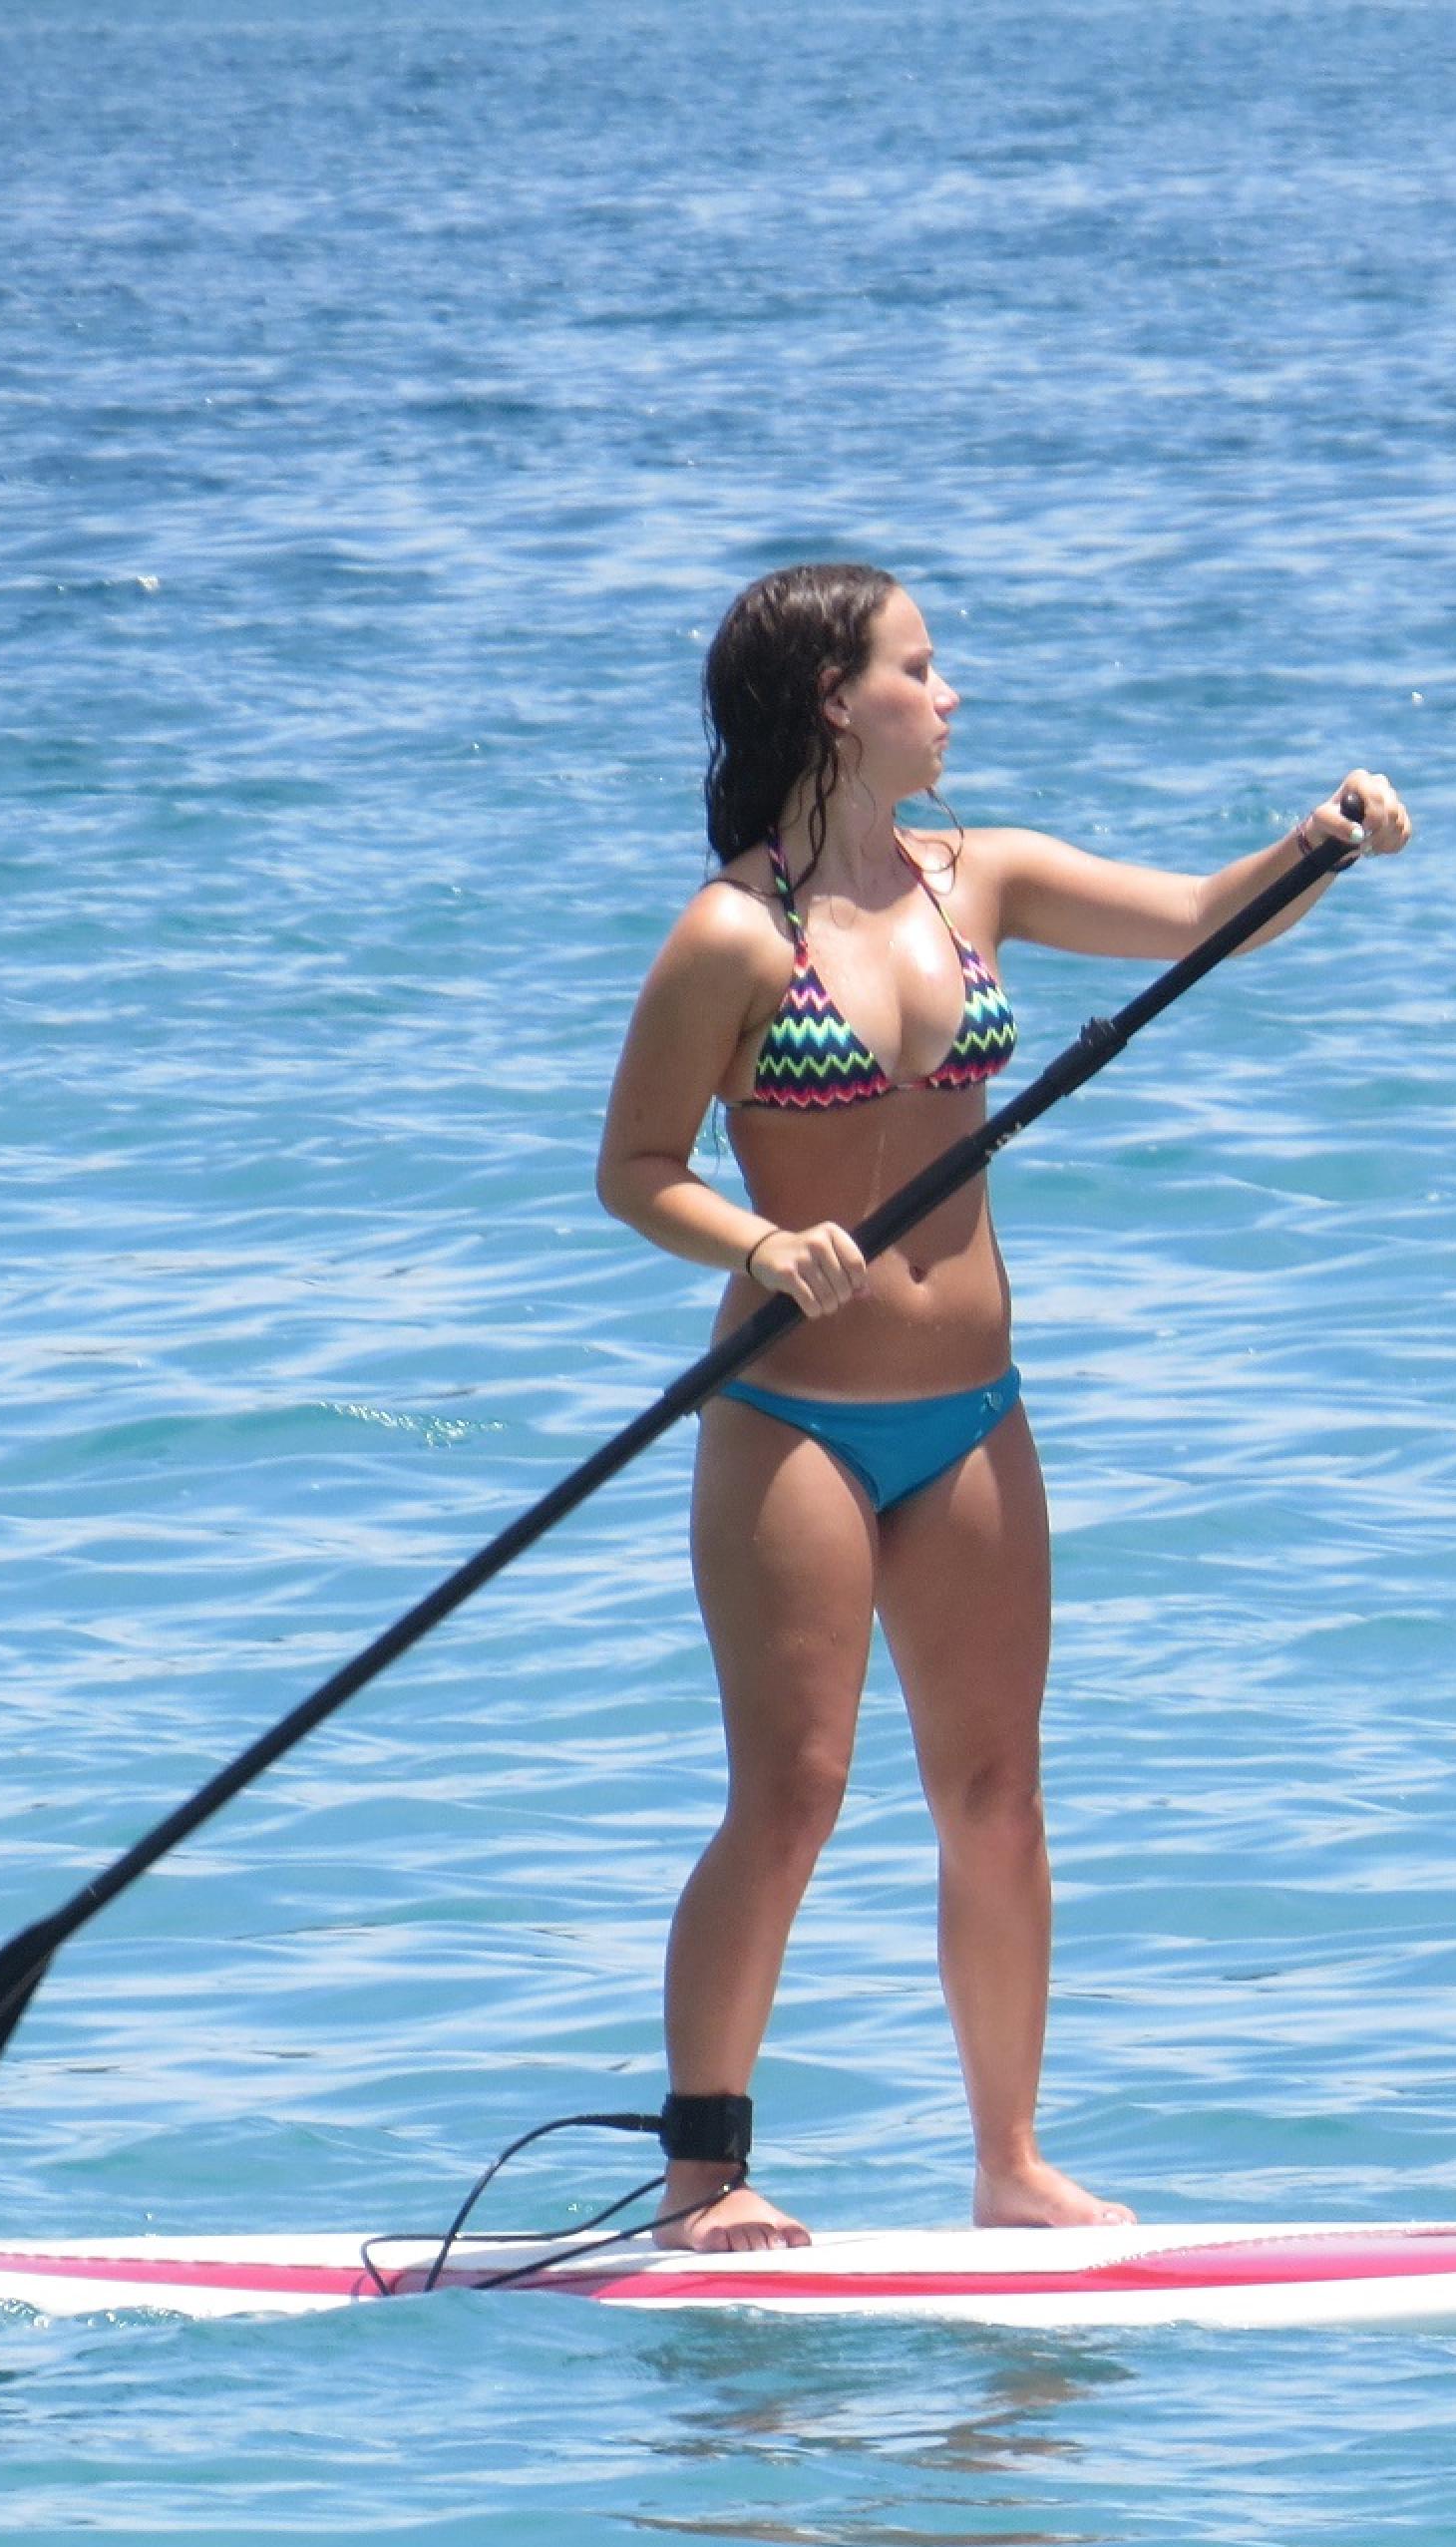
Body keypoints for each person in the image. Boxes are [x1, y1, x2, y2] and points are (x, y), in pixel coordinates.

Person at [595, 563, 1409, 2251]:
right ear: (837, 701)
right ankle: (703, 2177)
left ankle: (1012, 2164)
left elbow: (1201, 917)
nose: (950, 691)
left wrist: (1317, 839)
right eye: (920, 663)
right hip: (791, 1419)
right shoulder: (732, 934)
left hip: (972, 1411)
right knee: (794, 1792)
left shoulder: (987, 879)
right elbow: (635, 1172)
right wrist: (761, 1238)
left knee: (998, 1791)